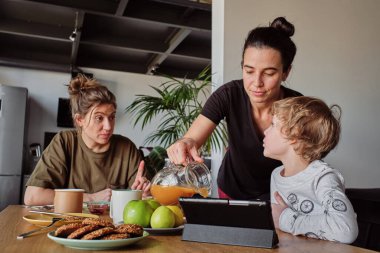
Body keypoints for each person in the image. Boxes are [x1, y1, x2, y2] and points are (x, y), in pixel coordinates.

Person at [167, 17, 302, 200]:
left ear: (286, 72)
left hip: (280, 195)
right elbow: (192, 138)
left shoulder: (298, 108)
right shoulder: (229, 94)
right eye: (249, 71)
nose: (257, 83)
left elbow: (305, 163)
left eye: (269, 73)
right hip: (232, 189)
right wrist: (185, 143)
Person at [24, 74, 151, 205]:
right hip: (69, 223)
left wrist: (145, 193)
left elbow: (143, 199)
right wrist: (90, 198)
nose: (108, 127)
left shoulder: (126, 147)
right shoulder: (64, 142)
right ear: (80, 120)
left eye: (112, 117)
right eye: (99, 118)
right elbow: (33, 197)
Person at [264, 96, 358, 243]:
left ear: (294, 134)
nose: (265, 131)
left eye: (272, 125)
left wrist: (285, 218)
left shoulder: (323, 177)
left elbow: (345, 230)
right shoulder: (276, 175)